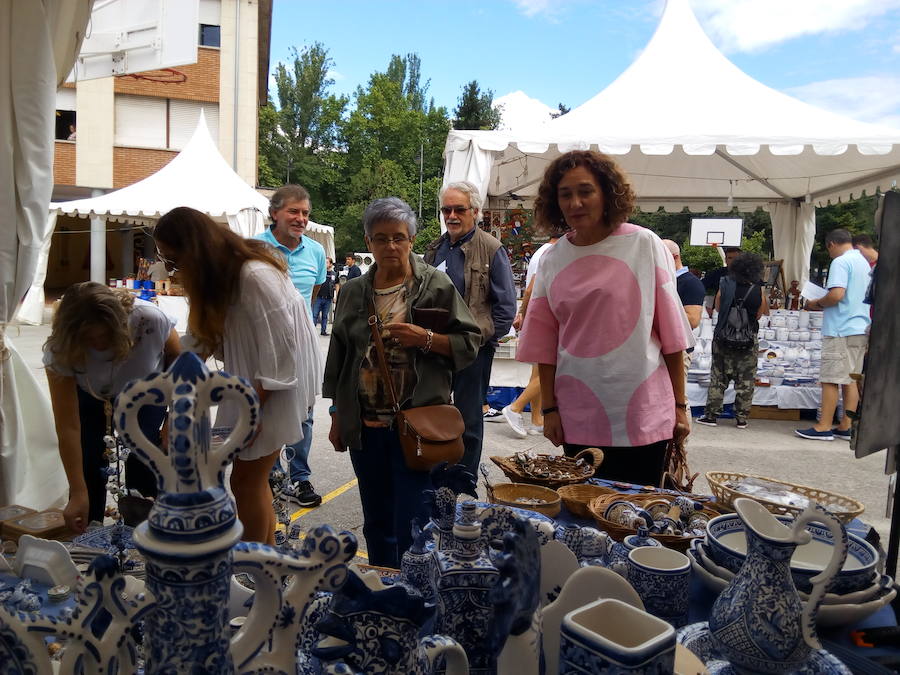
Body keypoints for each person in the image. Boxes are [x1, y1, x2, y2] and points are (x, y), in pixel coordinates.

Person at [517, 150, 692, 487]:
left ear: (608, 194)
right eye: (565, 194)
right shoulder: (553, 258)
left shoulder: (645, 244)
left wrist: (680, 405)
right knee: (583, 511)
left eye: (585, 191)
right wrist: (550, 410)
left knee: (639, 515)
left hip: (643, 410)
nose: (575, 203)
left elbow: (672, 334)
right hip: (578, 412)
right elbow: (545, 344)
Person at [324, 197, 480, 567]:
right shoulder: (352, 292)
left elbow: (470, 342)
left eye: (398, 237)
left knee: (413, 522)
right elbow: (339, 355)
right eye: (381, 238)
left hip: (416, 426)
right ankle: (382, 585)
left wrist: (425, 338)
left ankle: (415, 591)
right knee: (376, 521)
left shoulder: (435, 286)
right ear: (368, 242)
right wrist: (336, 413)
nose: (390, 246)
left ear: (411, 239)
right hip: (366, 426)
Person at [154, 207, 321, 543]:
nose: (172, 270)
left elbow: (282, 352)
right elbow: (198, 345)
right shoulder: (219, 278)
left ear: (194, 251)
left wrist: (252, 409)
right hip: (255, 379)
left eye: (174, 260)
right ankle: (266, 560)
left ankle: (258, 565)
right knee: (248, 480)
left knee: (245, 480)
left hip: (273, 384)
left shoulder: (253, 275)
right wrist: (173, 412)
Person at [44, 282, 180, 533]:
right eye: (88, 340)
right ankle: (91, 522)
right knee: (90, 457)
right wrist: (77, 492)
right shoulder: (59, 349)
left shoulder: (147, 320)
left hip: (146, 391)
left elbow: (178, 361)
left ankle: (145, 529)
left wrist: (174, 417)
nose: (98, 344)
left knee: (145, 456)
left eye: (105, 336)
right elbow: (68, 427)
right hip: (92, 394)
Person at [423, 181, 516, 476]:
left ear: (474, 211)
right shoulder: (435, 248)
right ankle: (437, 468)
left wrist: (484, 339)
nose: (451, 215)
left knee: (468, 417)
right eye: (446, 209)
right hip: (435, 347)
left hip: (472, 350)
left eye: (458, 209)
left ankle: (463, 477)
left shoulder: (491, 248)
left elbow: (506, 305)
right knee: (435, 412)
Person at [255, 184, 326, 508]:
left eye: (305, 213)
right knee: (267, 410)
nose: (300, 218)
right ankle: (272, 473)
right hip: (263, 346)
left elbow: (312, 296)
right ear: (274, 213)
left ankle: (299, 477)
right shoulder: (254, 248)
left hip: (302, 347)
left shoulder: (315, 251)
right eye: (293, 212)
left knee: (305, 416)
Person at [796, 229, 871, 441]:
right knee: (850, 379)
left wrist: (816, 303)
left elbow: (837, 294)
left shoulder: (840, 262)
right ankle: (846, 425)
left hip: (840, 328)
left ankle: (824, 426)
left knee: (830, 379)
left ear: (831, 244)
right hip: (860, 326)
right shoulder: (863, 261)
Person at [501, 228, 565, 438]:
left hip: (538, 317)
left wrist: (523, 315)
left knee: (539, 371)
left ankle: (537, 419)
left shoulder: (542, 251)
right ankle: (515, 408)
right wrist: (523, 314)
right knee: (550, 369)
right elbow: (532, 289)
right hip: (546, 319)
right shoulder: (554, 252)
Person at [695, 252, 768, 429]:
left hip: (723, 337)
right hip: (748, 339)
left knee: (718, 377)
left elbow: (718, 307)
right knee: (745, 379)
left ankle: (711, 415)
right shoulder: (759, 289)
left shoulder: (725, 283)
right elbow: (760, 314)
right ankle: (741, 418)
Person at [663, 239, 706, 430]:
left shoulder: (690, 283)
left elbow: (693, 320)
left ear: (674, 257)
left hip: (679, 350)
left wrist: (658, 313)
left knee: (679, 398)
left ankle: (679, 446)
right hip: (665, 348)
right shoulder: (667, 280)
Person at [702, 247, 741, 317]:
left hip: (741, 316)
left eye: (736, 258)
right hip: (719, 315)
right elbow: (699, 287)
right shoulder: (717, 273)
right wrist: (704, 308)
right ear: (726, 260)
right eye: (730, 258)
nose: (733, 261)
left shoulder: (749, 275)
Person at [314, 257, 336, 336]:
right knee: (315, 315)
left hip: (328, 298)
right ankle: (312, 331)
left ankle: (323, 331)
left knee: (325, 316)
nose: (325, 264)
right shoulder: (320, 272)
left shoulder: (334, 274)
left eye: (327, 262)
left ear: (330, 264)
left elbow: (336, 284)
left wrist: (334, 296)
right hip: (318, 297)